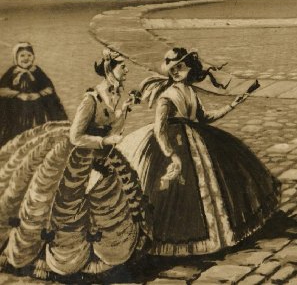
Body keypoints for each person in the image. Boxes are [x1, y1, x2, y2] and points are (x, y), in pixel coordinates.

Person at [0, 48, 147, 279]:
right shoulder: (91, 99)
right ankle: (65, 261)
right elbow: (75, 137)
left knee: (111, 203)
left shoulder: (114, 94)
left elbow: (113, 129)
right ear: (110, 70)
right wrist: (104, 140)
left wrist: (124, 112)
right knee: (61, 205)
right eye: (122, 66)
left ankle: (109, 255)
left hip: (100, 155)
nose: (127, 69)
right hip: (76, 156)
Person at [121, 47, 279, 257]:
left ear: (189, 67)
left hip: (196, 139)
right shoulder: (167, 96)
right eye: (173, 68)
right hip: (173, 144)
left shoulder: (190, 91)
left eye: (180, 66)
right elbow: (159, 130)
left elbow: (204, 118)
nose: (176, 71)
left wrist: (232, 105)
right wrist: (171, 155)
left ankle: (219, 233)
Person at [0, 42, 67, 147]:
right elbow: (2, 90)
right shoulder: (12, 72)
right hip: (17, 110)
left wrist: (38, 94)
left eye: (29, 55)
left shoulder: (37, 71)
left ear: (33, 57)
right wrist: (18, 94)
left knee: (37, 130)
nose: (26, 58)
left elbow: (49, 88)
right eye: (22, 55)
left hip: (37, 109)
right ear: (15, 57)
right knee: (16, 131)